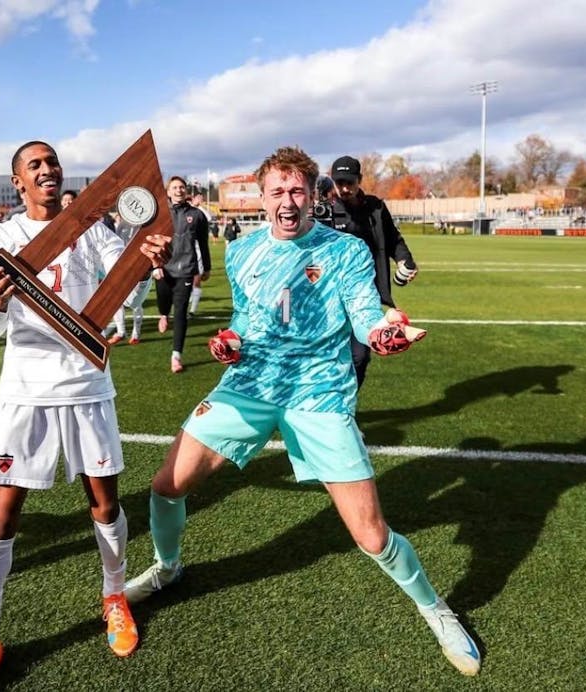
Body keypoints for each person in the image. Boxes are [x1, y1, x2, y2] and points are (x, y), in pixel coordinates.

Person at [125, 146, 481, 677]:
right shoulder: (242, 251)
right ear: (262, 198)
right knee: (165, 485)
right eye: (277, 193)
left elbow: (364, 315)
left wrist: (382, 332)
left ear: (312, 195)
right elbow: (245, 321)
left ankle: (437, 609)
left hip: (319, 392)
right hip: (250, 384)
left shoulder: (347, 251)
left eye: (296, 192)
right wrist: (230, 341)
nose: (287, 203)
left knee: (372, 536)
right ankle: (168, 567)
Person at [0, 140, 171, 692]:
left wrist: (143, 269)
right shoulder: (0, 238)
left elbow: (123, 302)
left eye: (52, 163)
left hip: (85, 385)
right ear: (18, 184)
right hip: (25, 389)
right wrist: (1, 301)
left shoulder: (93, 230)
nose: (48, 170)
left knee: (105, 501)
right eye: (36, 165)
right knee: (2, 514)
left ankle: (114, 597)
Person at [330, 155, 418, 389]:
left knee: (360, 356)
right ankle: (327, 409)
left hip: (366, 294)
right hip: (330, 297)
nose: (345, 188)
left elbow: (393, 239)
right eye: (339, 183)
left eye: (349, 182)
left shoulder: (376, 208)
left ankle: (344, 406)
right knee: (330, 357)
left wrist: (404, 261)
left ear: (359, 179)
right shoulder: (325, 210)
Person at [153, 176, 210, 373]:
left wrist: (207, 267)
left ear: (186, 191)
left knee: (181, 313)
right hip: (164, 268)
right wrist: (154, 267)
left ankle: (176, 355)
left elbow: (203, 243)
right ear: (168, 192)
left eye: (182, 187)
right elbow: (150, 241)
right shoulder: (160, 214)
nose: (178, 190)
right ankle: (162, 315)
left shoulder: (197, 215)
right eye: (175, 187)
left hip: (186, 270)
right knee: (163, 301)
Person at [105, 212, 151, 345]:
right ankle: (121, 331)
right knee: (116, 301)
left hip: (139, 267)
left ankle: (136, 333)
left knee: (136, 303)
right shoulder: (121, 225)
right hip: (122, 267)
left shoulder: (145, 225)